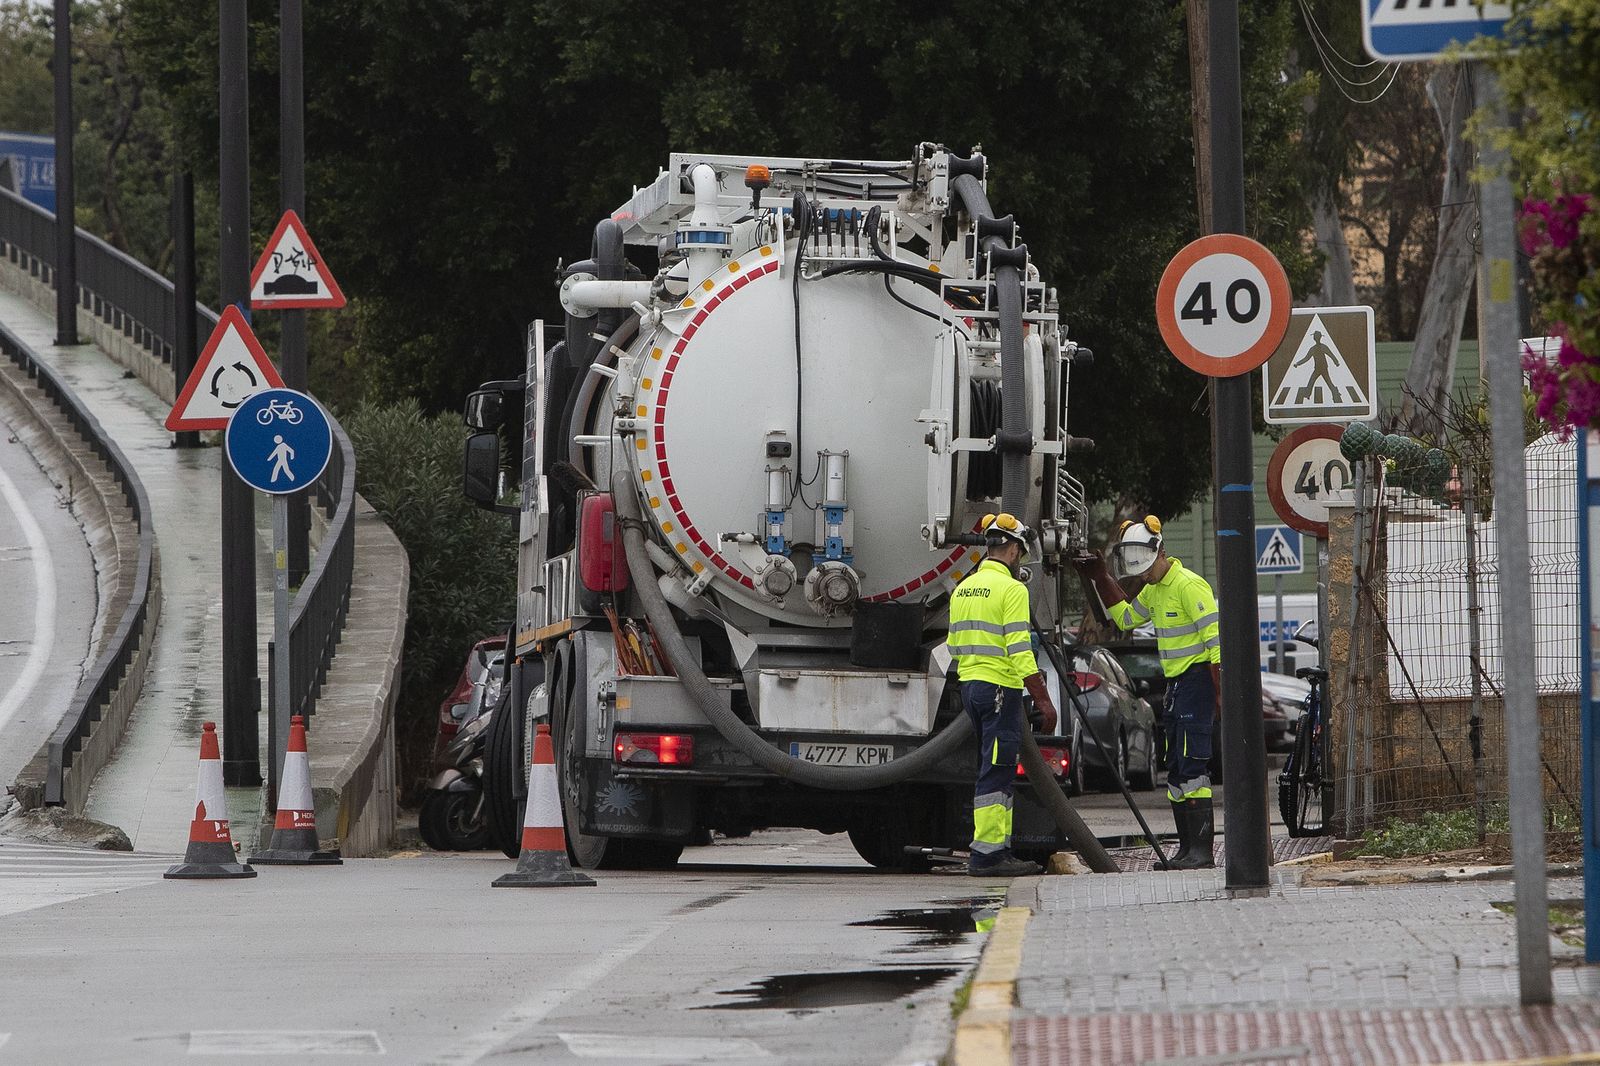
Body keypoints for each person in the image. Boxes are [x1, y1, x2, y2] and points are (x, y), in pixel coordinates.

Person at [1072, 516, 1220, 870]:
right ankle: (1187, 850)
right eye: (1139, 572)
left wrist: (1220, 696)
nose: (1145, 577)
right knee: (1177, 770)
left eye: (1148, 569)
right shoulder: (1154, 589)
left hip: (1197, 682)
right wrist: (1101, 578)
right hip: (1178, 686)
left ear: (1161, 552)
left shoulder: (1189, 586)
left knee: (1193, 768)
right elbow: (1125, 618)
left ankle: (1201, 852)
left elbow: (1217, 645)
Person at [945, 512, 1059, 877]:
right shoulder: (1012, 590)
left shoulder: (963, 588)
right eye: (1020, 553)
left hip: (971, 688)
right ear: (1012, 549)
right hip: (999, 690)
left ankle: (998, 849)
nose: (1019, 559)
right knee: (997, 772)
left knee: (993, 767)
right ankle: (988, 855)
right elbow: (1020, 649)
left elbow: (953, 645)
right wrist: (1043, 699)